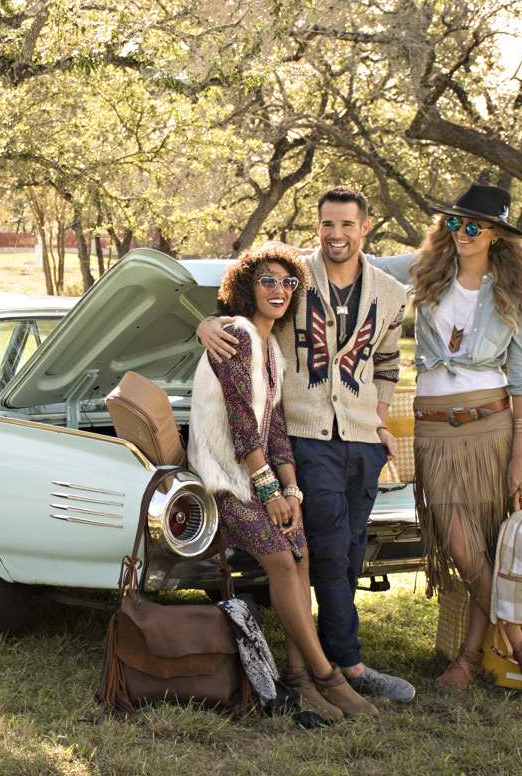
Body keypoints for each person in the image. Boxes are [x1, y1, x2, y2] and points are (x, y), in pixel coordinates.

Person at [197, 186, 415, 703]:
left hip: (361, 438)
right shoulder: (296, 277)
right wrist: (206, 324)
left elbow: (388, 361)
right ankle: (346, 665)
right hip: (306, 436)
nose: (336, 235)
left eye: (347, 225)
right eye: (327, 225)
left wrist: (380, 420)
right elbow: (240, 305)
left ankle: (316, 665)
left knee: (350, 550)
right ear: (316, 227)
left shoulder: (390, 292)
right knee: (330, 547)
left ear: (365, 227)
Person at [366, 183, 522, 702]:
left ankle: (470, 657)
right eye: (455, 222)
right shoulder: (426, 267)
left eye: (474, 226)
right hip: (434, 430)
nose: (462, 233)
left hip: (491, 428)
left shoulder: (515, 289)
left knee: (487, 546)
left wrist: (520, 455)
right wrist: (292, 255)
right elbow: (362, 262)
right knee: (461, 546)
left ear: (495, 233)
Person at [188, 244, 377, 719]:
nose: (279, 289)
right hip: (223, 480)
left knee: (301, 552)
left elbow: (273, 427)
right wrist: (270, 491)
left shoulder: (271, 346)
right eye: (267, 280)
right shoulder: (236, 333)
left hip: (256, 476)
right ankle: (327, 676)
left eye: (288, 282)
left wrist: (290, 490)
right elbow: (241, 420)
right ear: (246, 287)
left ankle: (298, 675)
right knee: (281, 560)